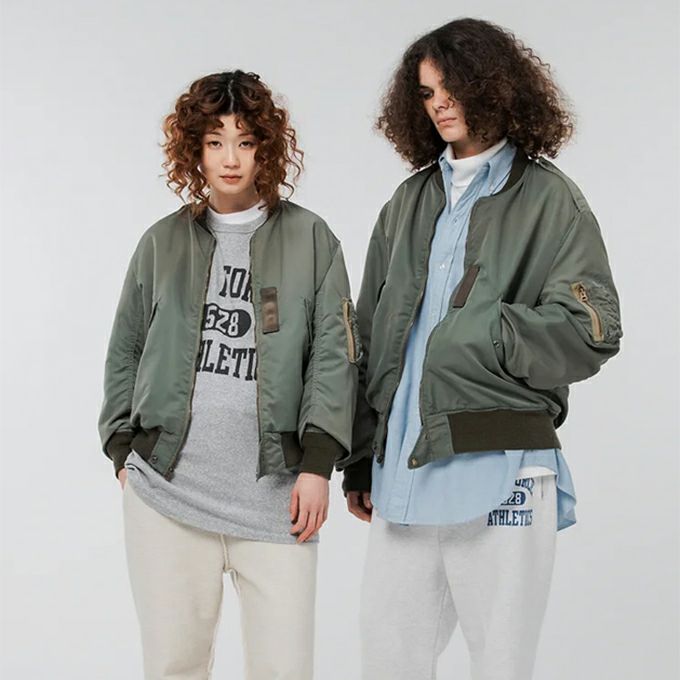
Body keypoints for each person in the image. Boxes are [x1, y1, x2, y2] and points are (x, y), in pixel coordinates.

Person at [340, 18, 622, 680]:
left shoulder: (549, 198)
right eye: (426, 93)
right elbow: (369, 334)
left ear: (494, 86)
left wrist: (483, 331)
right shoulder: (409, 202)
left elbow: (594, 329)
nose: (439, 105)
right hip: (406, 468)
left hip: (504, 469)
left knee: (500, 664)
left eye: (452, 88)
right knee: (387, 658)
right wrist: (359, 458)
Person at [98, 70, 359, 680]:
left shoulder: (311, 238)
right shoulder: (162, 243)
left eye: (245, 141)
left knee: (284, 669)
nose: (231, 158)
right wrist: (122, 447)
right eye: (215, 142)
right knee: (174, 666)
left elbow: (335, 353)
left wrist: (319, 463)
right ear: (194, 149)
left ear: (267, 148)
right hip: (167, 494)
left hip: (278, 499)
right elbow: (125, 348)